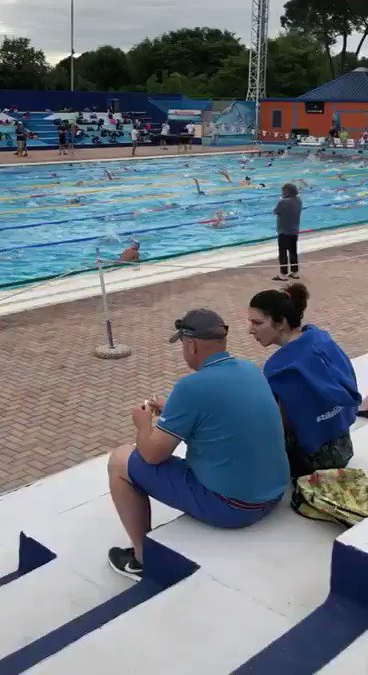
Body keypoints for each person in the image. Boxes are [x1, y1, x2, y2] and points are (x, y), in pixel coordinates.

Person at [107, 309, 289, 579]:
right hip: (274, 494)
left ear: (191, 345)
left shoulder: (190, 387)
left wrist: (144, 423)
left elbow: (152, 455)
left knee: (120, 460)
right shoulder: (251, 370)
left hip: (234, 508)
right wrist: (175, 410)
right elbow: (226, 413)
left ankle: (142, 558)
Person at [248, 283, 362, 478]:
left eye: (257, 323)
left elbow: (276, 427)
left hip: (311, 463)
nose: (251, 330)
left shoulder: (278, 367)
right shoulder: (321, 339)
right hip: (343, 447)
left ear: (281, 322)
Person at [273, 183, 302, 282]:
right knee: (293, 252)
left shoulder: (283, 202)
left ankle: (283, 274)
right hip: (294, 231)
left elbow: (275, 212)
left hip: (284, 232)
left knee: (283, 253)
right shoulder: (299, 200)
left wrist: (281, 200)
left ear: (286, 191)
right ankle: (295, 272)